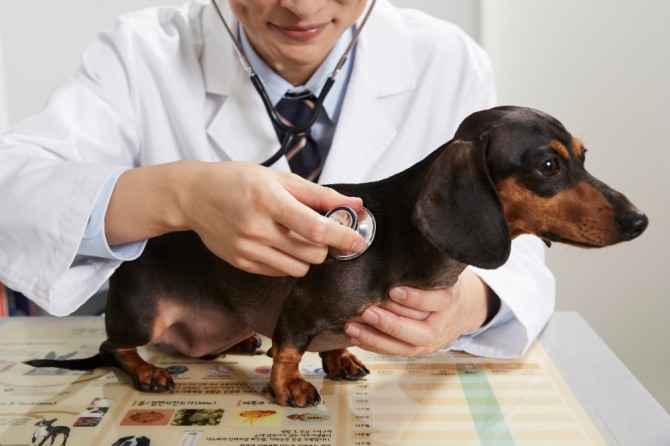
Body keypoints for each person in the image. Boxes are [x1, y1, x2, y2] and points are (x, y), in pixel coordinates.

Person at [0, 0, 554, 359]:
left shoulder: (448, 60)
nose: (301, 6)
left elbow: (514, 241)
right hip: (200, 355)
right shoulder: (140, 52)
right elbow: (13, 190)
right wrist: (179, 195)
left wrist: (468, 306)